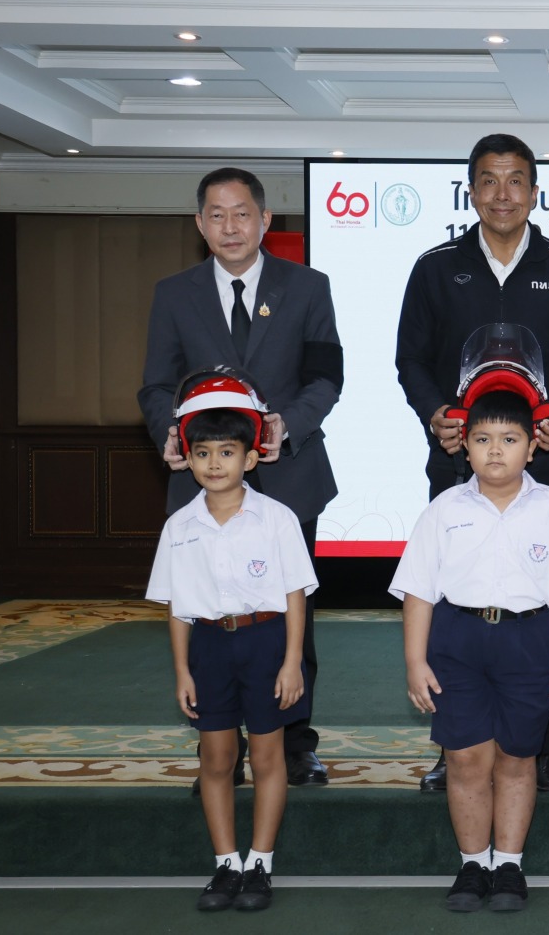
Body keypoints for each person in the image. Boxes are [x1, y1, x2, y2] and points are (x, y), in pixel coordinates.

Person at [396, 133, 549, 793]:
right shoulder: (437, 268)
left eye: (515, 180)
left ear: (534, 192)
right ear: (472, 191)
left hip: (547, 460)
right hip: (457, 459)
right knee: (454, 594)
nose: (502, 193)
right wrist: (435, 412)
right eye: (489, 180)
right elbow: (411, 358)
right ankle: (454, 742)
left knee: (545, 598)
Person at [139, 166, 342, 790]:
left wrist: (289, 424)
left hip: (290, 476)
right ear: (200, 224)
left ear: (265, 220)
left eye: (242, 213)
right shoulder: (174, 293)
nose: (231, 226)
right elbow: (155, 385)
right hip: (204, 483)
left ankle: (295, 741)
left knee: (291, 612)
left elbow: (326, 376)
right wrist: (170, 432)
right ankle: (221, 745)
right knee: (210, 611)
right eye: (217, 215)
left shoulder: (308, 286)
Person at [391, 387, 549, 914]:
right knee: (465, 758)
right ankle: (472, 864)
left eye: (509, 439)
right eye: (483, 439)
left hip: (530, 641)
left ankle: (508, 864)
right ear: (465, 445)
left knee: (517, 757)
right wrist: (415, 661)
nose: (496, 450)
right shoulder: (443, 510)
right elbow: (418, 590)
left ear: (532, 446)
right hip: (457, 642)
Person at [146, 378, 316, 913]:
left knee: (267, 756)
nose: (214, 463)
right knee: (216, 757)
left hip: (266, 643)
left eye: (226, 452)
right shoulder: (179, 526)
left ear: (251, 457)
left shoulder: (277, 519)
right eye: (202, 453)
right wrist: (183, 671)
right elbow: (178, 607)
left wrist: (292, 662)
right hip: (209, 648)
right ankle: (226, 863)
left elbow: (295, 597)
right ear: (188, 458)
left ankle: (260, 862)